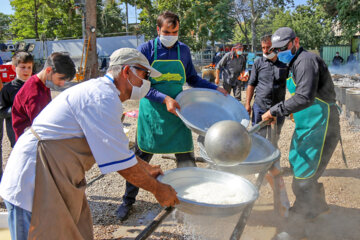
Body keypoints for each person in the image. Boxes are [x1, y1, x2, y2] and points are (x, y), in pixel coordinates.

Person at [0, 48, 179, 240]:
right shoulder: (102, 97)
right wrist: (158, 189)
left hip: (56, 174)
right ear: (127, 71)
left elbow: (115, 149)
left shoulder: (105, 94)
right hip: (35, 176)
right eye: (144, 74)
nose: (147, 82)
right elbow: (122, 165)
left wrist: (147, 167)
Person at [116, 11, 227, 221]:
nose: (171, 35)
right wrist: (164, 98)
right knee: (139, 162)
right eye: (167, 31)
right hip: (152, 117)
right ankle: (127, 201)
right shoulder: (146, 50)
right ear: (158, 30)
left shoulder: (183, 50)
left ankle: (189, 201)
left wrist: (214, 88)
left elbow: (192, 78)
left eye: (175, 31)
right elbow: (141, 85)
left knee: (187, 161)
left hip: (177, 115)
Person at [262, 27, 340, 221]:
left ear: (295, 42)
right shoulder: (295, 61)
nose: (280, 53)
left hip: (322, 125)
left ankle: (302, 220)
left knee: (303, 179)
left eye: (283, 48)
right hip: (308, 123)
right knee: (297, 162)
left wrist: (274, 110)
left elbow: (304, 97)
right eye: (277, 50)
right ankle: (319, 207)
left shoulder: (305, 61)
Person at [11, 52, 76, 141]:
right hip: (32, 145)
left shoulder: (40, 83)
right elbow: (43, 129)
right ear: (48, 70)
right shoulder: (34, 94)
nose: (62, 84)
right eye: (61, 78)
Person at [245, 35, 288, 144]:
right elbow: (251, 84)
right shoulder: (258, 63)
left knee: (274, 139)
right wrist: (247, 104)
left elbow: (292, 83)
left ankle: (272, 159)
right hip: (260, 106)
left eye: (268, 47)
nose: (265, 50)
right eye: (263, 48)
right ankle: (259, 159)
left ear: (275, 47)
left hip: (278, 108)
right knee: (258, 138)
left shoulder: (284, 65)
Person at [0, 52, 34, 179]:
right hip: (16, 133)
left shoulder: (37, 86)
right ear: (14, 68)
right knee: (20, 162)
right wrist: (17, 110)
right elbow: (1, 111)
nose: (26, 70)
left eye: (29, 67)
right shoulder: (8, 89)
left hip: (35, 132)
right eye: (23, 67)